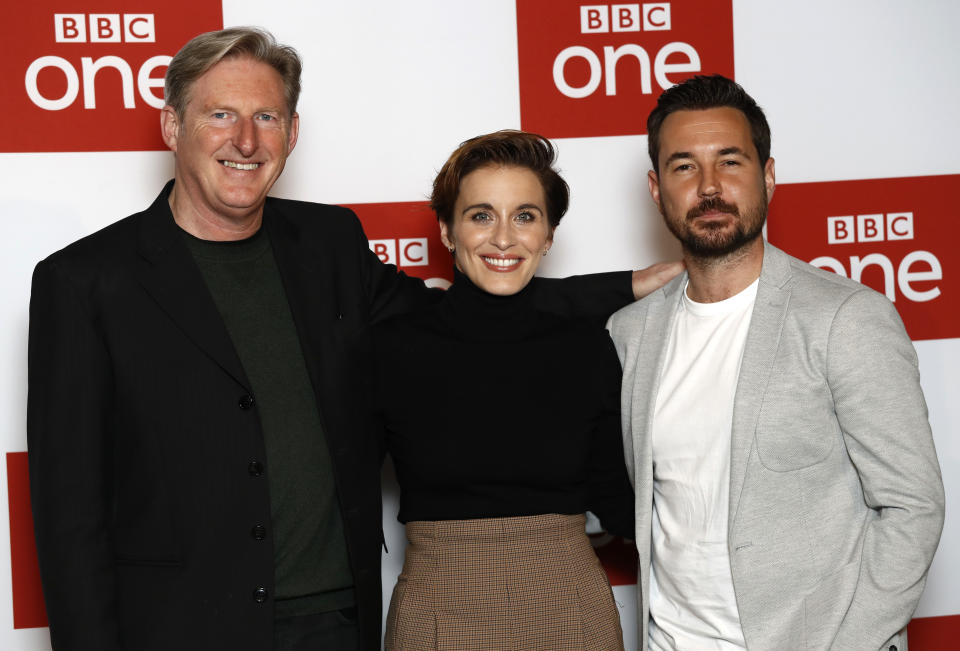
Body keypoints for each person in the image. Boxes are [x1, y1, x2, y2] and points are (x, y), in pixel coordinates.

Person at [26, 27, 680, 651]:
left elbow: (463, 311)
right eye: (221, 115)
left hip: (336, 622)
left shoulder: (331, 245)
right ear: (173, 126)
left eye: (268, 118)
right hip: (179, 626)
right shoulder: (84, 283)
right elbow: (68, 518)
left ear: (293, 131)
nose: (247, 140)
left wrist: (624, 285)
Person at [607, 74, 945, 651]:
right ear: (656, 189)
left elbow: (913, 506)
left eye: (730, 162)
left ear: (767, 176)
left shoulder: (845, 318)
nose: (709, 187)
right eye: (684, 166)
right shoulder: (631, 332)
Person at [373, 130, 634, 651]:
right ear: (447, 230)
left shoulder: (586, 348)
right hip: (437, 616)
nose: (503, 238)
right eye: (481, 215)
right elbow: (338, 488)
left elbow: (618, 500)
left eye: (525, 216)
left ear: (549, 235)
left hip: (570, 612)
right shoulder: (393, 349)